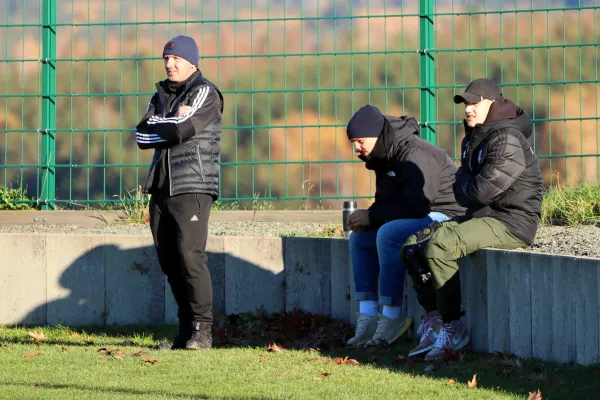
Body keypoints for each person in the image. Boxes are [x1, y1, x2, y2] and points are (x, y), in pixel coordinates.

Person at [402, 78, 544, 360]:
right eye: (466, 103)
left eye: (474, 102)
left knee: (440, 244)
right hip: (485, 216)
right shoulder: (477, 136)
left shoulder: (506, 138)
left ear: (492, 103)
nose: (468, 109)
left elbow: (481, 190)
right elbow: (463, 187)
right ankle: (435, 321)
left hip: (512, 221)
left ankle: (454, 328)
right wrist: (467, 186)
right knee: (413, 245)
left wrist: (466, 186)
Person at [344, 105, 465, 347]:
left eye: (359, 141)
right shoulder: (382, 155)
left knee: (388, 234)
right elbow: (388, 204)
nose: (356, 148)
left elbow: (417, 206)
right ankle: (367, 315)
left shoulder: (413, 153)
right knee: (360, 238)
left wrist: (372, 215)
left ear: (376, 134)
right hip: (422, 214)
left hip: (449, 214)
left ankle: (391, 317)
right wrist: (371, 217)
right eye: (353, 142)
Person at [135, 35, 224, 350]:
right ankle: (185, 330)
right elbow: (141, 136)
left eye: (176, 59)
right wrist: (169, 120)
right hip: (161, 185)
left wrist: (163, 124)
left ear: (193, 62)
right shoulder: (160, 94)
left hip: (193, 185)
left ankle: (203, 331)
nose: (169, 64)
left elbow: (180, 130)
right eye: (166, 59)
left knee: (190, 256)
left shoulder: (205, 93)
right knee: (169, 260)